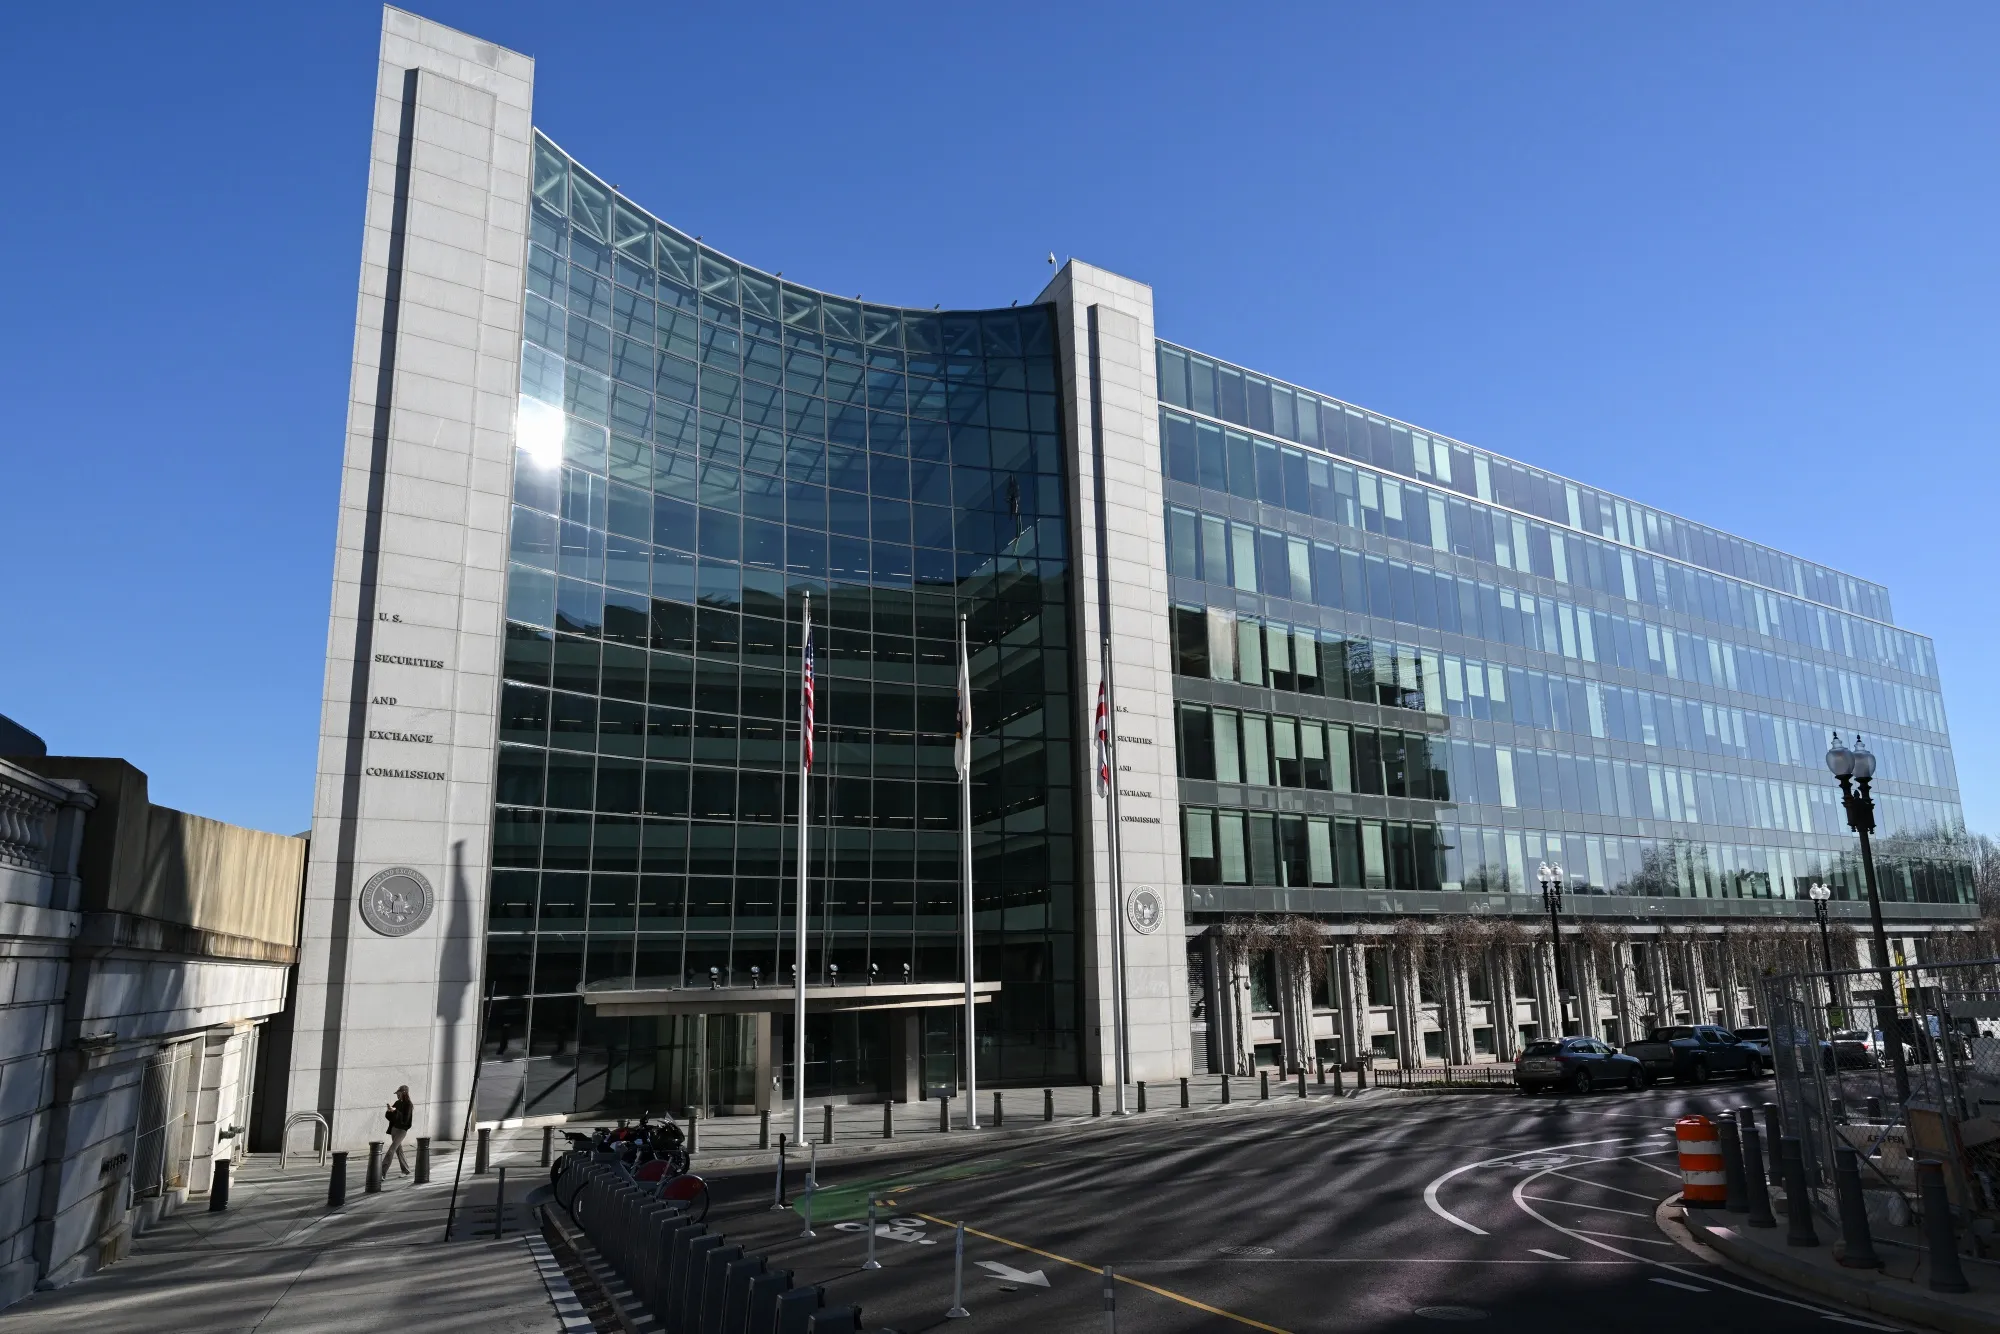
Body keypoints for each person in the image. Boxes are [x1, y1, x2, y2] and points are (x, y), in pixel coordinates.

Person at [384, 1086, 414, 1176]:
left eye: (398, 1094)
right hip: (394, 1129)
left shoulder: (408, 1104)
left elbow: (405, 1120)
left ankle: (381, 1172)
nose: (397, 1095)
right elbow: (390, 1117)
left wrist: (395, 1111)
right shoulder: (397, 1103)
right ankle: (405, 1170)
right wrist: (390, 1111)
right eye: (397, 1094)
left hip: (402, 1130)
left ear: (404, 1093)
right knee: (399, 1150)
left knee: (391, 1150)